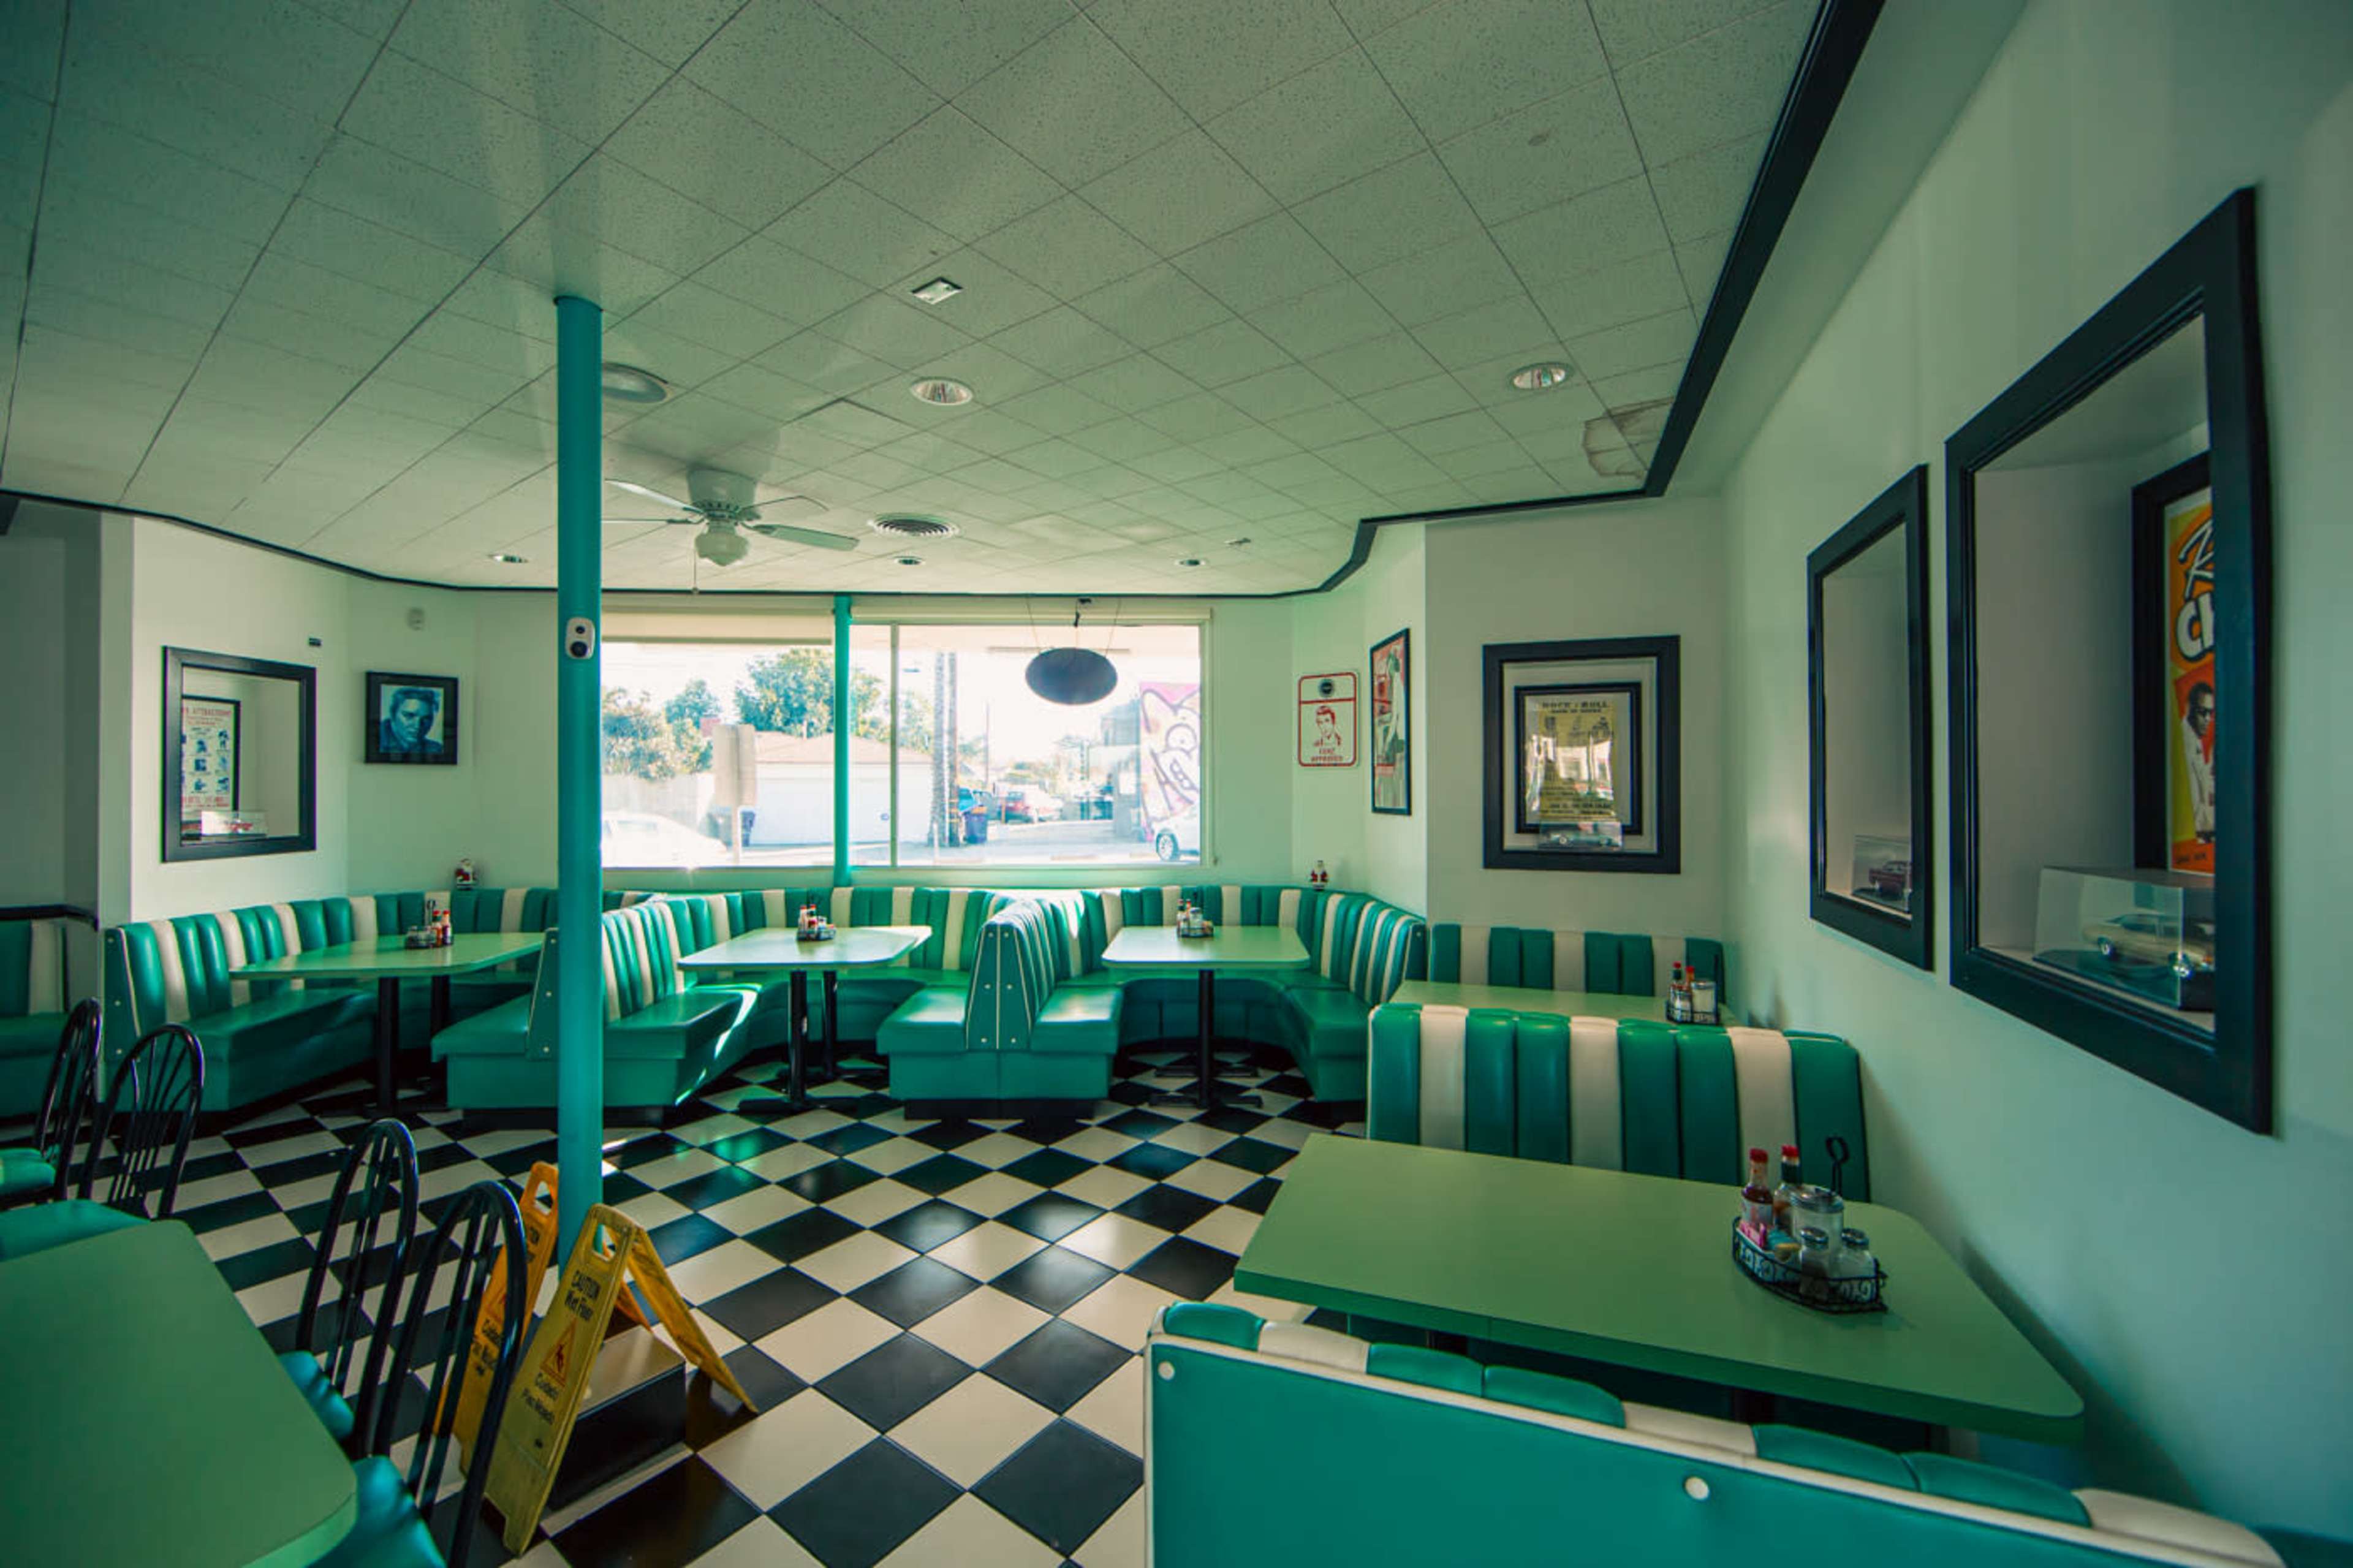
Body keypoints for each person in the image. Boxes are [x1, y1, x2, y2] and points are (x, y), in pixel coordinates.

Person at [2180, 680, 2215, 840]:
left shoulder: (2196, 737)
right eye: (2203, 712)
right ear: (2190, 709)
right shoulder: (2184, 742)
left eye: (2210, 713)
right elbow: (2194, 816)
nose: (2208, 719)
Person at [379, 686, 445, 757]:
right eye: (409, 716)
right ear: (393, 714)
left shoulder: (437, 749)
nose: (418, 725)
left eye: (426, 719)